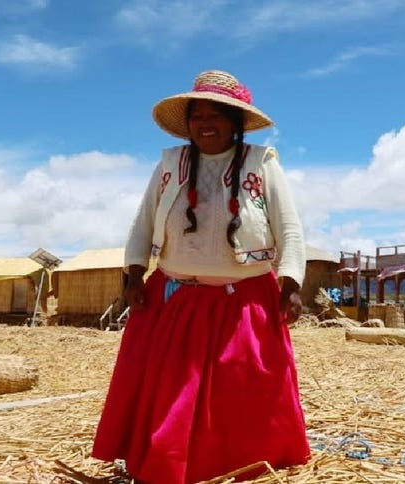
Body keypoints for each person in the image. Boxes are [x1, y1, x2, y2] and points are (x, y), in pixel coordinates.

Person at [91, 70, 310, 483]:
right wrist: (134, 275)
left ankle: (242, 463)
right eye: (197, 116)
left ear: (236, 121)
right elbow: (143, 223)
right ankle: (166, 462)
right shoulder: (170, 165)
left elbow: (290, 228)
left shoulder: (261, 163)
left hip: (244, 299)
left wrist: (291, 283)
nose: (205, 124)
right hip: (176, 296)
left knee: (242, 387)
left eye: (216, 115)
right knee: (173, 388)